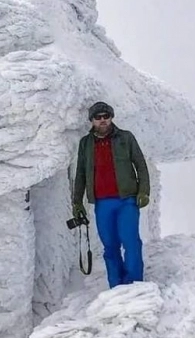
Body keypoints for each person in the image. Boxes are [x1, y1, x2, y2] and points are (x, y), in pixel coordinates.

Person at [72, 101, 150, 288]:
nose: (103, 120)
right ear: (92, 121)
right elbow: (81, 173)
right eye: (98, 118)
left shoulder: (126, 138)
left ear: (111, 117)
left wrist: (143, 191)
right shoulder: (86, 143)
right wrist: (77, 202)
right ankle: (116, 285)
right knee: (110, 246)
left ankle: (134, 284)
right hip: (102, 203)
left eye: (106, 116)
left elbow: (141, 165)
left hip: (127, 200)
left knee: (131, 242)